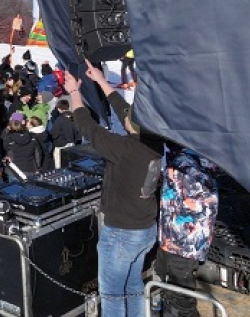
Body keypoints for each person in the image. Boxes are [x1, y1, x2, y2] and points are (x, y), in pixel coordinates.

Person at [64, 59, 162, 317]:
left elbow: (88, 127)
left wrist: (74, 91)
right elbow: (124, 111)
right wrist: (101, 81)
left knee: (112, 296)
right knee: (133, 286)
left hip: (122, 234)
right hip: (145, 228)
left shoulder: (126, 149)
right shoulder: (156, 141)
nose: (126, 117)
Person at [155, 144, 218, 317]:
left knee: (181, 300)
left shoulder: (183, 165)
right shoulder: (199, 158)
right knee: (175, 296)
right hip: (185, 244)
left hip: (181, 244)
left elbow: (196, 207)